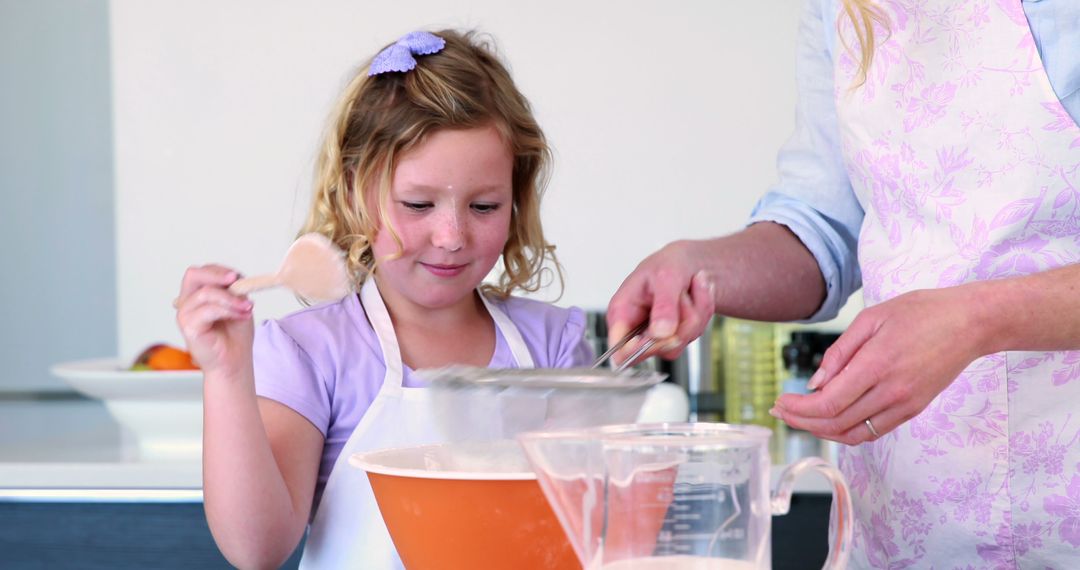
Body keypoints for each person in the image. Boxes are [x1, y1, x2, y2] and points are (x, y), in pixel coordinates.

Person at [608, 0, 1080, 567]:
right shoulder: (839, 10)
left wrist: (977, 318)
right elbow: (823, 231)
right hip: (903, 525)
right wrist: (699, 269)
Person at [173, 29, 593, 569]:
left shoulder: (553, 346)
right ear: (354, 190)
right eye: (418, 204)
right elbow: (258, 549)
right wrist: (227, 376)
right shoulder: (312, 353)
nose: (451, 236)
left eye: (484, 206)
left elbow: (595, 529)